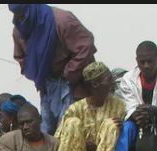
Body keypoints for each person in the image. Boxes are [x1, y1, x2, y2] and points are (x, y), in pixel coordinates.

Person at [9, 4, 96, 135]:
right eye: (16, 14)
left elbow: (86, 46)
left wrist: (69, 73)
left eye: (22, 14)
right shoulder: (19, 30)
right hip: (46, 87)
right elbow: (21, 58)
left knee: (69, 130)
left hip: (72, 85)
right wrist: (38, 74)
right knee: (46, 133)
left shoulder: (62, 20)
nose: (17, 18)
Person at [54, 61, 124, 151]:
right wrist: (83, 143)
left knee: (112, 124)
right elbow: (59, 138)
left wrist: (121, 127)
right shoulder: (75, 108)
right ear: (95, 84)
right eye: (108, 79)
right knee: (72, 122)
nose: (112, 82)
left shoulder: (120, 106)